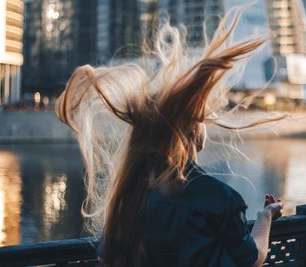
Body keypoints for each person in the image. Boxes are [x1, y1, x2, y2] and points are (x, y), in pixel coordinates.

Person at [55, 6, 285, 267]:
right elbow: (253, 259)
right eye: (200, 118)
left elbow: (106, 256)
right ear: (191, 131)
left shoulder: (129, 193)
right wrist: (265, 216)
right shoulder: (218, 197)